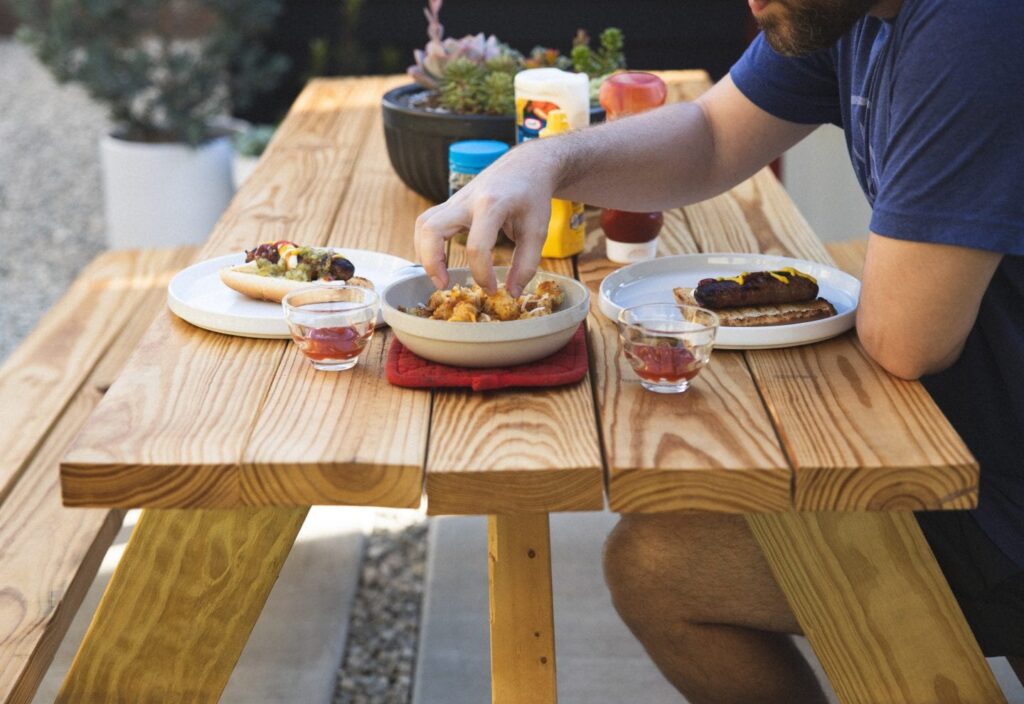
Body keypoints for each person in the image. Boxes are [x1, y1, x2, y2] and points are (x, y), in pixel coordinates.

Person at [415, 0, 1024, 701]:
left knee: (661, 567)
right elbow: (710, 136)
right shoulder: (844, 13)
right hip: (969, 442)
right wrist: (541, 163)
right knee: (659, 558)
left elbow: (906, 338)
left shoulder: (974, 26)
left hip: (998, 488)